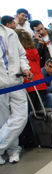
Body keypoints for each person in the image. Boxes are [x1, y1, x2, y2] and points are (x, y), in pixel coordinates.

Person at [0, 23, 33, 164]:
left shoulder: (10, 33)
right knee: (3, 119)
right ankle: (13, 150)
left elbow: (21, 55)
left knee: (20, 117)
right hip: (1, 85)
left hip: (16, 80)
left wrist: (25, 68)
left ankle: (1, 147)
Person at [15, 29, 47, 110]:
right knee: (39, 109)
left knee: (29, 110)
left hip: (28, 82)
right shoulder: (35, 51)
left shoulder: (20, 54)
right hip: (40, 81)